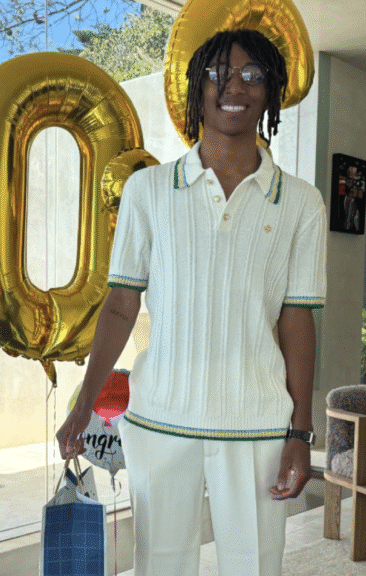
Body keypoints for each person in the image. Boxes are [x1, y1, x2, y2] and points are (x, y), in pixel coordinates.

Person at [56, 29, 326, 576]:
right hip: (161, 422)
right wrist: (85, 401)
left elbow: (296, 318)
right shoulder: (148, 191)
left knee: (254, 566)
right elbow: (119, 306)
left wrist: (300, 432)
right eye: (217, 73)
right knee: (160, 565)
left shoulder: (301, 202)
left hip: (258, 427)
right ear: (195, 88)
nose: (235, 86)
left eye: (253, 75)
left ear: (270, 91)